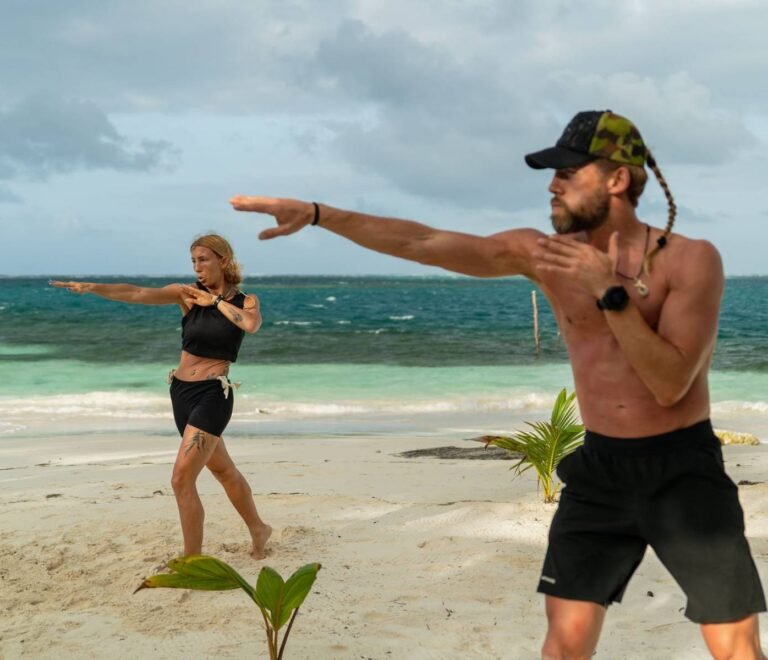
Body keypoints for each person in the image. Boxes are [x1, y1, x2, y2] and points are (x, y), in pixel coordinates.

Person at [230, 110, 766, 658]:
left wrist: (608, 291)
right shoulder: (543, 255)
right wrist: (319, 214)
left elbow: (671, 382)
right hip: (600, 471)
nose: (552, 186)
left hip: (683, 470)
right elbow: (423, 241)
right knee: (563, 647)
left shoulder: (691, 260)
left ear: (617, 179)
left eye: (568, 173)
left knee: (734, 647)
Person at [51, 234, 272, 560]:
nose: (197, 267)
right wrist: (94, 287)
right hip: (181, 393)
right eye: (193, 261)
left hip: (213, 395)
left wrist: (213, 302)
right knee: (223, 471)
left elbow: (250, 325)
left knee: (181, 479)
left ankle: (192, 561)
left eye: (204, 259)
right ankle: (258, 528)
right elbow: (138, 293)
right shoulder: (186, 296)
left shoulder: (245, 301)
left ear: (223, 261)